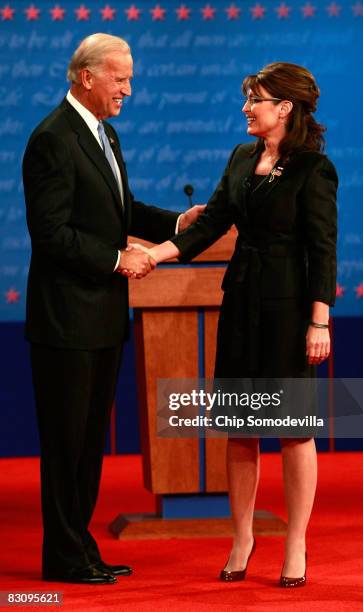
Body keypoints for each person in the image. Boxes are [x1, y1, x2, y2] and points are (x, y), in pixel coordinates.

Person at [124, 62, 338, 587]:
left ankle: (296, 543)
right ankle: (242, 537)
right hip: (241, 305)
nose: (246, 108)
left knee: (292, 432)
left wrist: (319, 322)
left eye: (255, 100)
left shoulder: (313, 168)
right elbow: (213, 222)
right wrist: (156, 255)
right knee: (240, 430)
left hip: (288, 313)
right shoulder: (243, 157)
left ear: (285, 107)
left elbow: (323, 250)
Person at [22, 33, 203, 585]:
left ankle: (81, 549)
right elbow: (51, 234)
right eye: (121, 77)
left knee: (89, 446)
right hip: (65, 322)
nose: (129, 87)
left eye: (130, 76)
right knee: (66, 444)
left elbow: (120, 210)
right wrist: (117, 260)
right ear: (87, 77)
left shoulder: (104, 133)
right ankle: (64, 557)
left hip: (101, 321)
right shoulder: (53, 138)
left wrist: (177, 224)